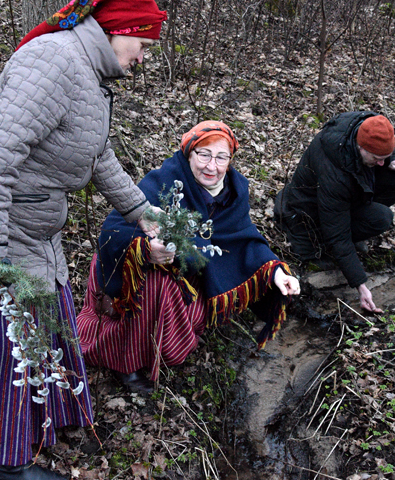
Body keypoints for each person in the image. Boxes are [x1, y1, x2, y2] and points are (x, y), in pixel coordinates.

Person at [0, 0, 167, 480]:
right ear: (119, 30)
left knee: (34, 333)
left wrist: (141, 211)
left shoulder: (88, 72)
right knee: (6, 346)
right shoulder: (54, 63)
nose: (142, 58)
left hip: (32, 229)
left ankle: (19, 432)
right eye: (142, 45)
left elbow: (97, 154)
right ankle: (4, 464)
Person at [76, 121, 301, 394]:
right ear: (188, 153)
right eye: (203, 155)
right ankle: (127, 361)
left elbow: (243, 238)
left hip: (190, 269)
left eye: (221, 157)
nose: (211, 166)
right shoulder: (164, 181)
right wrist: (147, 251)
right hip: (136, 274)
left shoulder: (234, 190)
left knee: (178, 293)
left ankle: (166, 339)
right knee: (157, 283)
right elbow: (114, 229)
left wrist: (277, 273)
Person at [273, 111, 395, 314]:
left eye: (383, 157)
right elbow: (338, 235)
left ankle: (354, 227)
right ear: (360, 147)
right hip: (307, 214)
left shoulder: (365, 126)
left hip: (343, 193)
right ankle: (325, 241)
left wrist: (392, 158)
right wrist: (361, 285)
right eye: (377, 158)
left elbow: (383, 148)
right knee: (381, 218)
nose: (381, 163)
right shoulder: (333, 171)